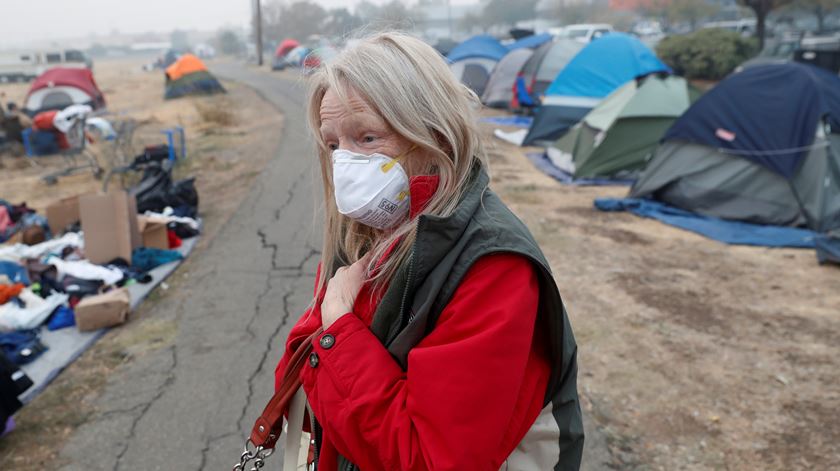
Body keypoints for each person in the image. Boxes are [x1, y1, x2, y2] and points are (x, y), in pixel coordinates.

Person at [274, 32, 584, 470]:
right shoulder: (369, 230)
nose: (345, 164)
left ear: (432, 133)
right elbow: (306, 377)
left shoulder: (493, 268)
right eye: (333, 144)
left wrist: (339, 326)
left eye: (367, 137)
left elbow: (426, 457)